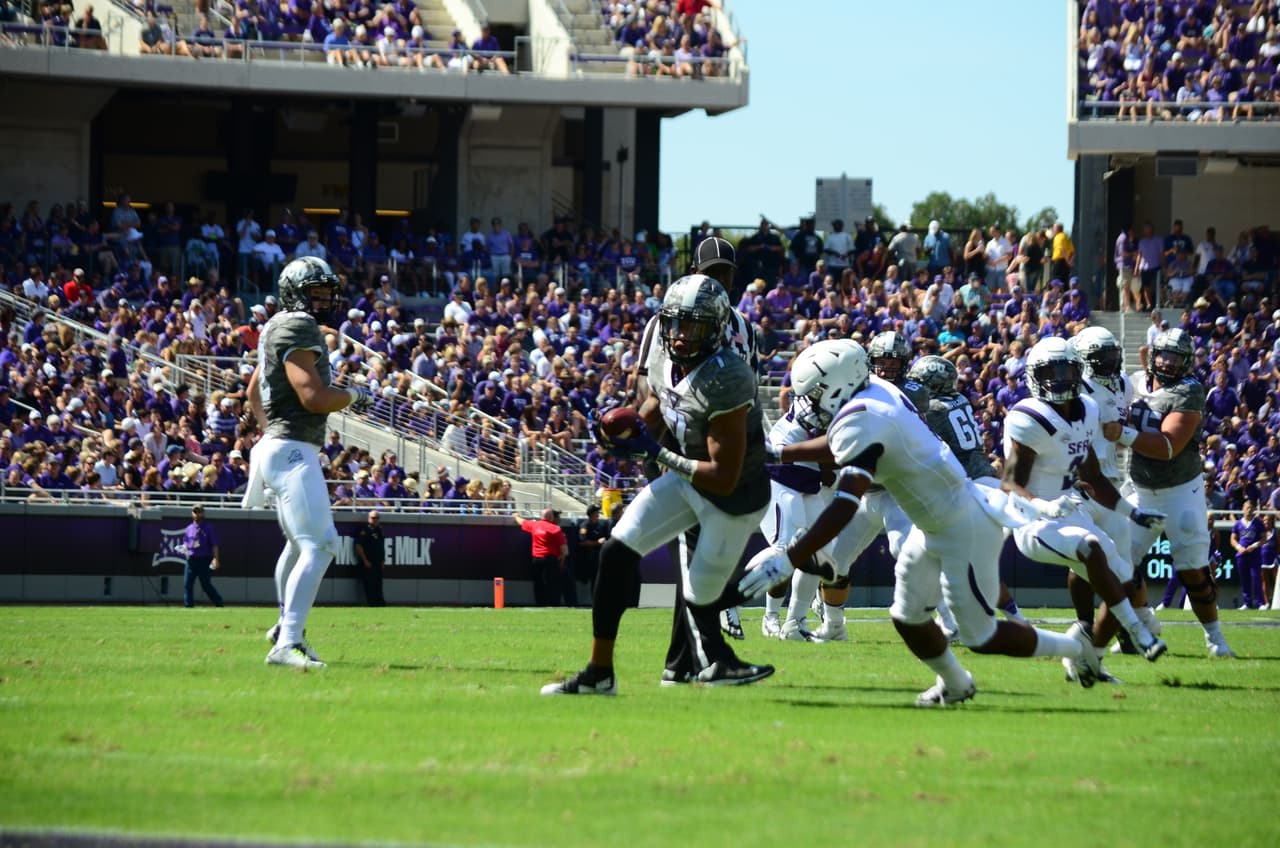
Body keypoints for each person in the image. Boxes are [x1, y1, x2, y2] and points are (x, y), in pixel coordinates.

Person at [742, 340, 1102, 706]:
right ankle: (956, 683)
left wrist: (790, 557)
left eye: (817, 392)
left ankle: (1076, 646)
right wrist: (780, 452)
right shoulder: (875, 390)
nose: (811, 401)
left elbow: (847, 500)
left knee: (981, 636)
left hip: (962, 524)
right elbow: (839, 446)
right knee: (906, 616)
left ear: (840, 382)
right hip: (933, 520)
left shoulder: (866, 413)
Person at [542, 274, 773, 695]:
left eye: (695, 326)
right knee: (615, 553)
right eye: (676, 324)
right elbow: (657, 404)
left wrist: (654, 452)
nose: (682, 336)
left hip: (733, 499)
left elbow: (723, 477)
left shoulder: (728, 377)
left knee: (700, 595)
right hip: (687, 478)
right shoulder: (666, 360)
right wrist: (620, 431)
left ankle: (720, 661)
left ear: (718, 327)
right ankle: (600, 672)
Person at [1001, 337, 1168, 683]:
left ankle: (1085, 658)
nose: (1061, 378)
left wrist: (1130, 512)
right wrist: (1045, 505)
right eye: (1052, 371)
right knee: (1090, 548)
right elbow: (1011, 486)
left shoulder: (1088, 410)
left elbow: (1093, 477)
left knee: (1122, 575)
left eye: (1067, 370)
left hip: (1071, 511)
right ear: (1035, 376)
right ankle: (1139, 633)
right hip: (1035, 521)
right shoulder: (1029, 417)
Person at [247, 257, 375, 669]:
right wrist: (358, 395)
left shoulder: (276, 325)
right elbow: (315, 398)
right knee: (321, 546)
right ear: (294, 292)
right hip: (291, 449)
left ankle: (285, 625)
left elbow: (253, 392)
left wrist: (269, 432)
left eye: (325, 291)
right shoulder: (298, 326)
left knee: (298, 544)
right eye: (314, 292)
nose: (323, 299)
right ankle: (287, 641)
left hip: (279, 445)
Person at [1119, 328, 1237, 657]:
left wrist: (1122, 434)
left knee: (1192, 569)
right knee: (1119, 563)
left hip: (1180, 491)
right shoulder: (1136, 382)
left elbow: (1168, 446)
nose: (1167, 363)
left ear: (1186, 363)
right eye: (1163, 355)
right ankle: (1144, 623)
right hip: (1139, 489)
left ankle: (1215, 638)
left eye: (1175, 357)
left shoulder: (1189, 391)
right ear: (1152, 355)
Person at [905, 355, 1025, 637]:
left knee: (953, 560)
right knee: (971, 562)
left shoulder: (933, 408)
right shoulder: (958, 399)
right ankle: (1011, 619)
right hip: (986, 481)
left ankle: (966, 624)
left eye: (921, 384)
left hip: (969, 488)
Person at [515, 508, 568, 606]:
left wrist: (516, 516)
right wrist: (562, 560)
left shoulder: (535, 525)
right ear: (551, 517)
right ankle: (553, 603)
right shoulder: (555, 529)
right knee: (552, 583)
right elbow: (563, 549)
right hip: (550, 559)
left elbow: (522, 522)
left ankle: (540, 603)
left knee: (538, 583)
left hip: (537, 559)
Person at [182, 505, 223, 608]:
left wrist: (216, 558)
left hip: (204, 560)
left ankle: (218, 602)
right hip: (191, 559)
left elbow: (214, 544)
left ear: (203, 513)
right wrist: (183, 548)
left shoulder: (208, 528)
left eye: (199, 512)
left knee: (206, 585)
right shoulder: (189, 528)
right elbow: (186, 543)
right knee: (188, 584)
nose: (197, 514)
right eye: (195, 512)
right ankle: (188, 605)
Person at [1231, 500, 1266, 610]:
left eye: (1251, 508)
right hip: (1242, 555)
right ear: (1243, 509)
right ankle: (1247, 602)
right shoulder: (1238, 523)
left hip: (1254, 555)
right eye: (1247, 508)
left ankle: (1260, 603)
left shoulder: (1258, 522)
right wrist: (1238, 547)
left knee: (1256, 578)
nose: (1249, 510)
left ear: (1254, 509)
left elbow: (1263, 538)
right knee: (1244, 579)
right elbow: (1233, 539)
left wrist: (1254, 546)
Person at [576, 505, 609, 601]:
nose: (598, 514)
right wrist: (597, 542)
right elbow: (582, 541)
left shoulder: (601, 525)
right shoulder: (584, 526)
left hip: (599, 557)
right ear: (592, 514)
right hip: (588, 558)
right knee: (590, 579)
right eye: (596, 512)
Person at [354, 509, 386, 607]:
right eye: (373, 518)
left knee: (378, 583)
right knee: (370, 584)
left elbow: (381, 545)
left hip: (378, 562)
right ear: (369, 519)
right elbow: (358, 546)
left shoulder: (379, 530)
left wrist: (383, 560)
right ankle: (372, 603)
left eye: (377, 518)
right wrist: (365, 560)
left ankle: (380, 603)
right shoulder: (365, 530)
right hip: (369, 562)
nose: (375, 520)